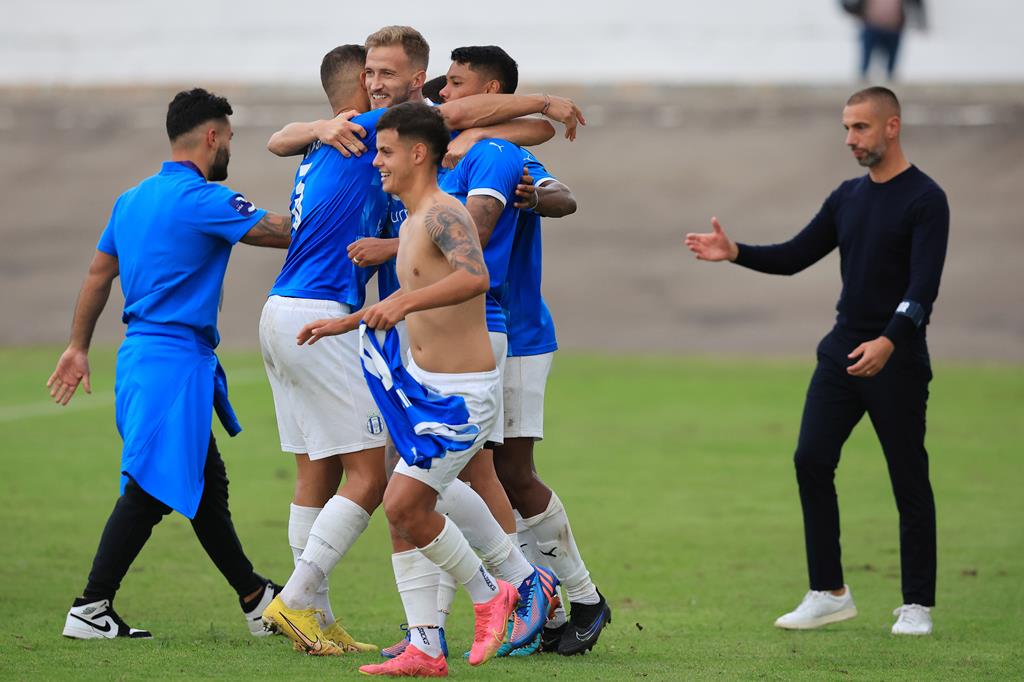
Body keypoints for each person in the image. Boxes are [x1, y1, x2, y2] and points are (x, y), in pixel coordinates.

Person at [684, 86, 948, 636]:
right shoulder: (847, 197)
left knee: (908, 478)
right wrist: (736, 254)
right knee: (811, 460)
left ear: (892, 127)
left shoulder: (926, 199)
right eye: (847, 129)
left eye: (861, 128)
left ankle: (917, 603)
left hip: (895, 360)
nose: (851, 139)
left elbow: (923, 288)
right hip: (841, 351)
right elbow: (795, 256)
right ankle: (829, 591)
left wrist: (890, 341)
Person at [48, 88, 292, 640]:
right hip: (173, 363)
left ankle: (255, 600)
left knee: (205, 483)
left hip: (140, 358)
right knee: (151, 489)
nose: (228, 147)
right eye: (227, 138)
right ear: (211, 137)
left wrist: (77, 345)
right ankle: (91, 607)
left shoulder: (131, 199)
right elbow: (280, 232)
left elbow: (96, 274)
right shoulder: (204, 198)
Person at [297, 101, 519, 677]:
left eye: (387, 152)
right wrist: (346, 322)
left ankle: (495, 592)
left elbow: (476, 278)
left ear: (419, 153)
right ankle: (427, 644)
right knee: (411, 509)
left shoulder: (445, 214)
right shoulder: (413, 220)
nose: (377, 163)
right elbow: (414, 292)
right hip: (425, 390)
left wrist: (401, 301)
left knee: (402, 504)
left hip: (461, 396)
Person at [257, 44, 386, 656]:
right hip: (318, 315)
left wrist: (317, 124)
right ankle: (296, 596)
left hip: (282, 311)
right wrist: (547, 103)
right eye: (381, 76)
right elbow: (461, 116)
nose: (392, 88)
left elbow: (278, 138)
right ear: (364, 84)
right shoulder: (362, 133)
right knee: (369, 472)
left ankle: (317, 614)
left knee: (318, 467)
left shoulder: (320, 143)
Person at [492, 149, 612, 656]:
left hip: (517, 336)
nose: (447, 94)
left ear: (489, 89)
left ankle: (583, 599)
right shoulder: (440, 147)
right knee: (489, 479)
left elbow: (564, 198)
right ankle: (545, 608)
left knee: (513, 473)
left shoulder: (509, 156)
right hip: (467, 337)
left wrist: (535, 196)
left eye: (457, 83)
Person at [846, 0, 926, 80]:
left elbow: (916, 3)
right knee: (865, 60)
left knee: (892, 62)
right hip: (872, 27)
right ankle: (862, 77)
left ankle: (890, 79)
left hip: (893, 28)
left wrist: (921, 21)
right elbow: (853, 5)